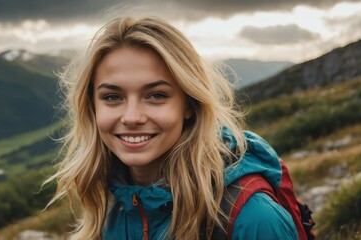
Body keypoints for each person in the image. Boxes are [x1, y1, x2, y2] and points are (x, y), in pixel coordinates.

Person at [45, 16, 298, 239]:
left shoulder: (253, 218)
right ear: (93, 107)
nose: (131, 117)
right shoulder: (114, 202)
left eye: (156, 95)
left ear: (189, 104)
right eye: (112, 97)